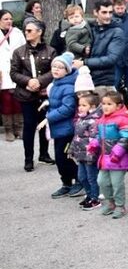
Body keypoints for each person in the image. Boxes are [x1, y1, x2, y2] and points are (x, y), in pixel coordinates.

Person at [9, 19, 55, 170]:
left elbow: (55, 70)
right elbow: (14, 73)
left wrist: (39, 81)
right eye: (25, 30)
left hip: (43, 94)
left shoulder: (50, 51)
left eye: (29, 30)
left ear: (39, 32)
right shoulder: (19, 51)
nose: (26, 32)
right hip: (26, 94)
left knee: (44, 123)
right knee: (29, 125)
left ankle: (44, 154)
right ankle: (28, 158)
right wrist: (29, 81)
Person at [87, 91, 128, 219]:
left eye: (109, 104)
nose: (105, 106)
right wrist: (94, 144)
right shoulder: (102, 120)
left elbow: (126, 137)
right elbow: (99, 136)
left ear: (118, 106)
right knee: (102, 181)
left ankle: (120, 206)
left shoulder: (123, 119)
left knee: (117, 183)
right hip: (105, 158)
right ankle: (110, 203)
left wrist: (118, 152)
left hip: (118, 159)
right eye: (103, 104)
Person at [44, 53, 82, 198]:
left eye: (60, 67)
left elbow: (68, 108)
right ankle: (66, 183)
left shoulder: (67, 87)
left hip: (67, 129)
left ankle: (79, 181)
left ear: (67, 70)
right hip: (58, 130)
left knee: (65, 158)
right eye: (54, 66)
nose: (56, 69)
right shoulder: (55, 85)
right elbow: (56, 103)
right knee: (60, 159)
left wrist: (49, 117)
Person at [75, 0, 125, 93]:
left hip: (104, 81)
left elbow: (111, 59)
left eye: (110, 12)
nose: (108, 16)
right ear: (95, 12)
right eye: (104, 12)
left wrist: (84, 63)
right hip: (84, 78)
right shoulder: (90, 27)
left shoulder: (117, 32)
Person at [70, 92, 103, 211]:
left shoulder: (94, 121)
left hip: (89, 156)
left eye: (84, 105)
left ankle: (95, 198)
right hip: (80, 154)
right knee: (82, 177)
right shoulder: (80, 119)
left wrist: (91, 153)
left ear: (93, 107)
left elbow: (94, 139)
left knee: (91, 177)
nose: (80, 107)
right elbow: (76, 137)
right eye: (80, 105)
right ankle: (89, 195)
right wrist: (72, 149)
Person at [0, 9, 26, 142]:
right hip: (2, 72)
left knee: (18, 101)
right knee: (6, 102)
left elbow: (24, 49)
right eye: (5, 19)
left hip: (17, 71)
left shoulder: (17, 32)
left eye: (10, 18)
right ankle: (8, 130)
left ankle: (19, 128)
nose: (9, 21)